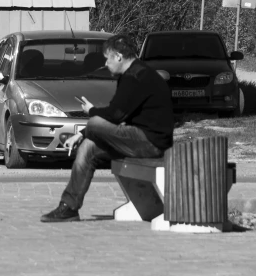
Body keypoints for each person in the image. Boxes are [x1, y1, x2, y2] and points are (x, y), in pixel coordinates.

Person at [40, 33, 175, 223]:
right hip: (138, 138)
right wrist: (84, 134)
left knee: (94, 122)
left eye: (107, 58)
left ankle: (69, 205)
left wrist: (91, 111)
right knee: (88, 147)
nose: (105, 63)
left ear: (119, 56)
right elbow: (119, 116)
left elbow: (115, 115)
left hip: (150, 142)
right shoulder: (132, 74)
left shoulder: (137, 77)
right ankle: (69, 207)